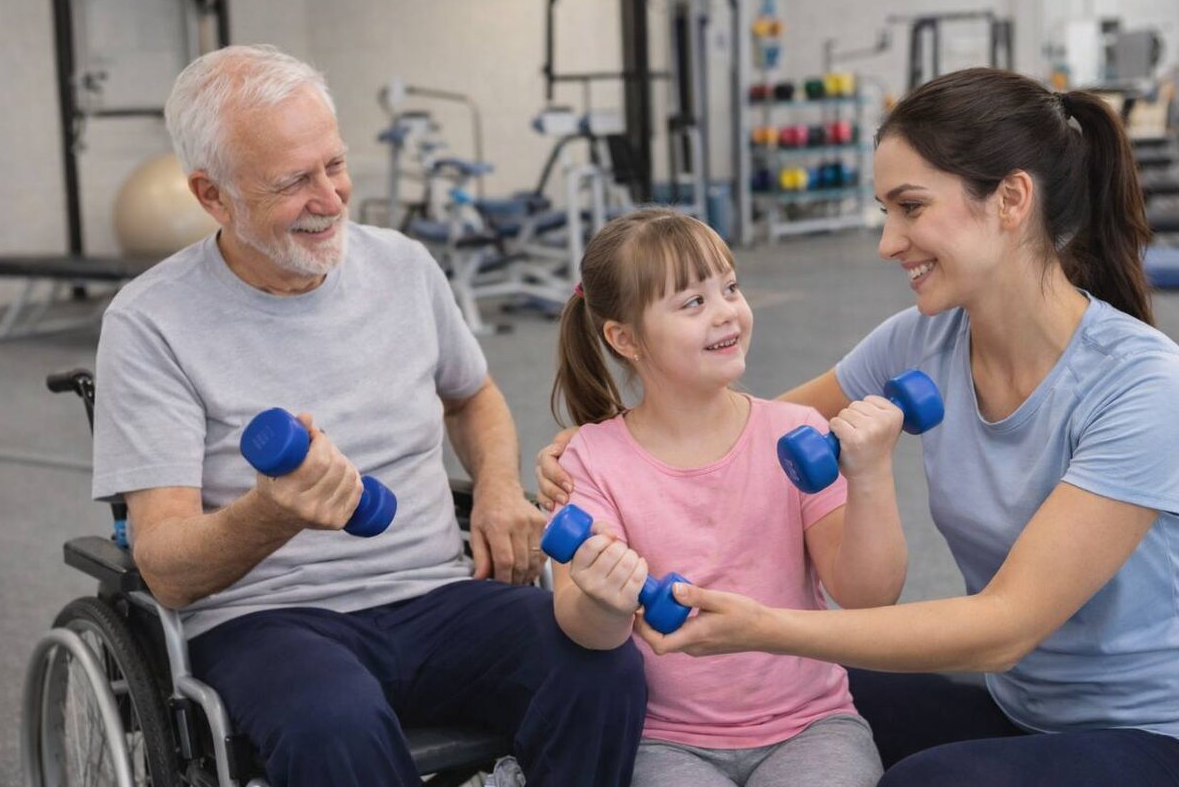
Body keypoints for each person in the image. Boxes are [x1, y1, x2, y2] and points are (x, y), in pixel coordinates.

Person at [536, 68, 1179, 786]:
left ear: (1011, 200)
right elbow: (741, 433)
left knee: (915, 775)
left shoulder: (1141, 383)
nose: (887, 242)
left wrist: (764, 627)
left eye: (909, 208)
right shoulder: (922, 341)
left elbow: (1007, 627)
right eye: (885, 211)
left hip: (1144, 730)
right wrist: (605, 451)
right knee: (799, 701)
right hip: (1017, 705)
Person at [91, 44, 646, 787]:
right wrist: (273, 513)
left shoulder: (404, 267)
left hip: (435, 590)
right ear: (213, 196)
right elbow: (165, 568)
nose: (331, 198)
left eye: (334, 165)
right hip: (268, 619)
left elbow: (471, 395)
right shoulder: (150, 323)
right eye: (294, 181)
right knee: (335, 726)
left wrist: (496, 488)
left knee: (601, 666)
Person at [547, 207, 913, 786]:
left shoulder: (793, 434)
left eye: (730, 288)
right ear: (624, 338)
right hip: (664, 739)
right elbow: (585, 628)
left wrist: (869, 477)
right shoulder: (592, 461)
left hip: (811, 725)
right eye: (693, 303)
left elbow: (869, 596)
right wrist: (604, 599)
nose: (727, 313)